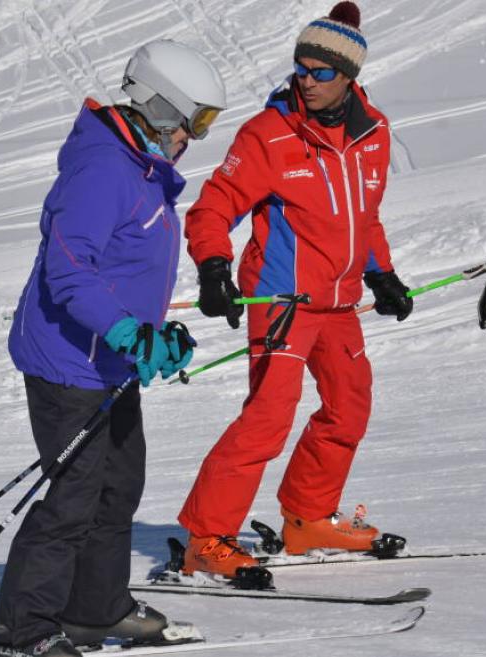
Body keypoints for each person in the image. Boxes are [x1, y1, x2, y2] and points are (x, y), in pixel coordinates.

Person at [0, 41, 226, 657]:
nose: (196, 138)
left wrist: (152, 335)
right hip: (67, 364)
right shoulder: (103, 169)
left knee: (118, 487)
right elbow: (70, 273)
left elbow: (126, 270)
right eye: (196, 121)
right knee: (72, 499)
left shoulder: (141, 168)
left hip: (108, 363)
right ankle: (25, 633)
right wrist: (127, 332)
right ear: (161, 109)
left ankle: (96, 610)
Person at [176, 1, 415, 578]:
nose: (306, 80)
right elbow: (215, 207)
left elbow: (365, 214)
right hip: (282, 300)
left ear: (349, 77)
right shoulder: (269, 134)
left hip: (338, 302)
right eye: (300, 68)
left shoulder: (375, 132)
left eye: (321, 72)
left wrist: (380, 273)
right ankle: (206, 539)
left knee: (349, 405)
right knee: (268, 416)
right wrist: (214, 268)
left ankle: (307, 518)